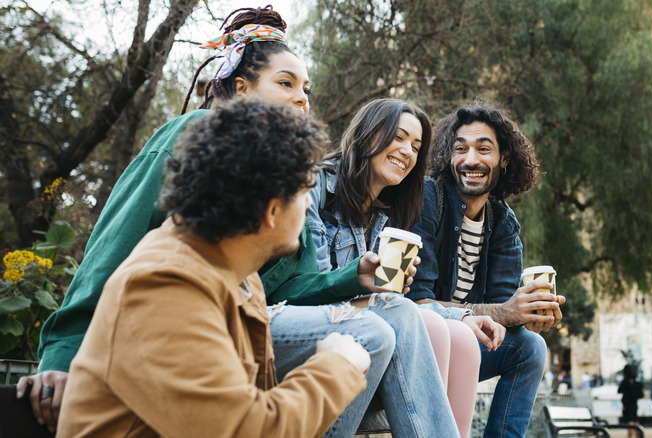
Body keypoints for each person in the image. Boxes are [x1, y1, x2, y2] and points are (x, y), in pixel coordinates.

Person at [20, 7, 458, 437]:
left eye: (307, 88)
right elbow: (112, 249)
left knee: (394, 313)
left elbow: (291, 291)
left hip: (246, 323)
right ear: (242, 89)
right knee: (370, 332)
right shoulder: (195, 165)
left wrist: (352, 277)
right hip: (181, 331)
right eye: (285, 83)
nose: (302, 98)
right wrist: (62, 355)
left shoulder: (254, 253)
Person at [57, 97, 370, 436]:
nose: (309, 202)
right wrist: (337, 367)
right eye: (305, 190)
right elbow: (243, 430)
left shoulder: (237, 274)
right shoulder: (164, 285)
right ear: (271, 209)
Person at [301, 98, 504, 437]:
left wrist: (465, 316)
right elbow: (318, 290)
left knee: (464, 339)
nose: (407, 151)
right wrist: (372, 290)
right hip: (324, 327)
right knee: (431, 327)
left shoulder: (391, 212)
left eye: (416, 145)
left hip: (375, 323)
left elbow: (399, 302)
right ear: (368, 135)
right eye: (398, 137)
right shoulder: (320, 187)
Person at [407, 99, 565, 437]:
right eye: (460, 149)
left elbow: (502, 313)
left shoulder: (503, 222)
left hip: (468, 342)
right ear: (449, 158)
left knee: (530, 347)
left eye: (484, 148)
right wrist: (507, 311)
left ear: (504, 158)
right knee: (451, 331)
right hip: (423, 340)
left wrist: (530, 314)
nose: (470, 160)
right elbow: (420, 303)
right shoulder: (427, 201)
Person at [618, 365, 643, 438]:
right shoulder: (635, 380)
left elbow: (619, 390)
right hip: (634, 404)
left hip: (627, 404)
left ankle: (630, 436)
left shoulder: (625, 381)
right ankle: (638, 435)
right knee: (635, 421)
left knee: (630, 422)